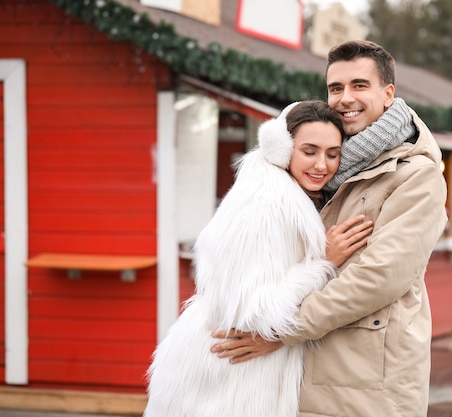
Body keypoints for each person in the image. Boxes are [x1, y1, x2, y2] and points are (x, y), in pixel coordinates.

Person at [211, 40, 448, 417]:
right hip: (306, 376)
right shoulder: (326, 166)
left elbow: (379, 278)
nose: (345, 98)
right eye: (335, 88)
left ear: (388, 95)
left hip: (369, 384)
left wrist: (281, 330)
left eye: (359, 85)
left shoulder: (416, 176)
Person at [143, 100, 373, 417]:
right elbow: (256, 310)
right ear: (283, 148)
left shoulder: (291, 195)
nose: (322, 165)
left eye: (332, 154)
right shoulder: (264, 202)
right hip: (226, 373)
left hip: (245, 369)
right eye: (309, 151)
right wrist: (322, 264)